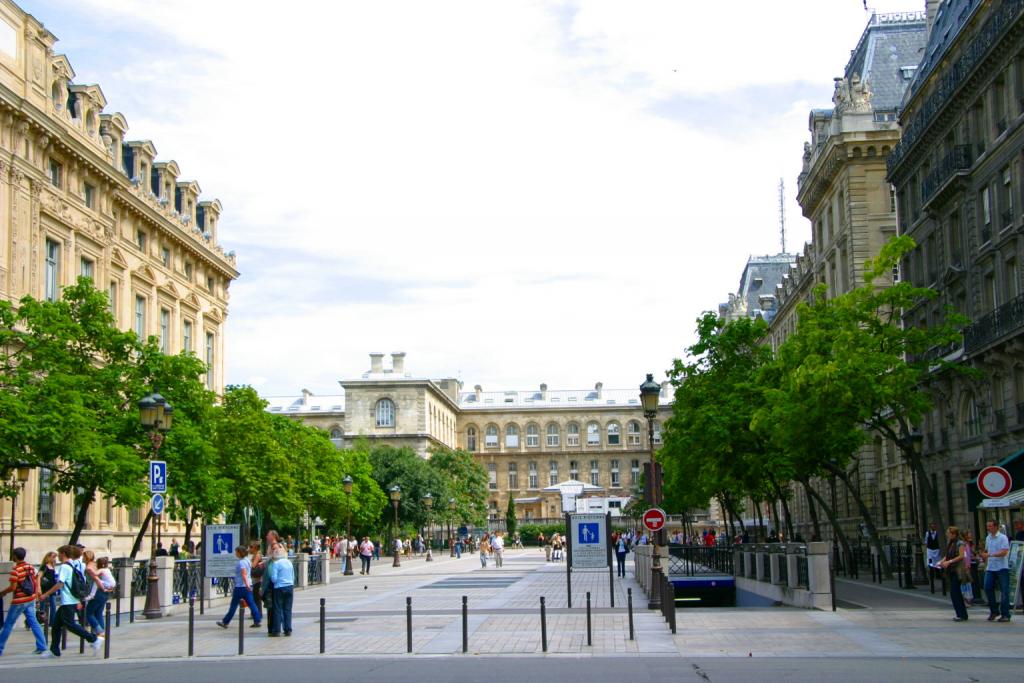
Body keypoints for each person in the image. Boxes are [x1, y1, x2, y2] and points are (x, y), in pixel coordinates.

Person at [39, 545, 101, 657]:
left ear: (63, 553)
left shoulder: (64, 567)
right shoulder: (72, 565)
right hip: (69, 600)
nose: (58, 556)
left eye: (59, 553)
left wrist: (45, 594)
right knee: (57, 625)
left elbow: (60, 584)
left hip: (68, 601)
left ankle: (93, 639)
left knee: (70, 624)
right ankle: (54, 651)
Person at [0, 547, 48, 657]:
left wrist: (2, 592)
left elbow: (13, 587)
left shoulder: (15, 570)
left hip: (19, 601)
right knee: (34, 622)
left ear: (15, 556)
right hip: (30, 599)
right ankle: (42, 646)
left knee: (8, 624)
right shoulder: (30, 567)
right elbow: (35, 581)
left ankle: (0, 648)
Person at [217, 546, 262, 629]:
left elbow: (243, 574)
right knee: (251, 604)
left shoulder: (241, 563)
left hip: (240, 587)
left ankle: (225, 622)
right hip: (247, 586)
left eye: (236, 552)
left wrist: (247, 585)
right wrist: (248, 585)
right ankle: (257, 620)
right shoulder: (247, 560)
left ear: (240, 553)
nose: (235, 554)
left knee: (233, 605)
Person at [980, 519, 1012, 622]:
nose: (988, 528)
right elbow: (986, 550)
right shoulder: (988, 538)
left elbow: (1004, 552)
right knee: (987, 587)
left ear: (996, 527)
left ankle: (1005, 614)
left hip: (1002, 567)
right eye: (987, 526)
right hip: (991, 567)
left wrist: (991, 555)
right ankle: (994, 610)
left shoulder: (1003, 538)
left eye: (990, 526)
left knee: (1004, 591)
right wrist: (984, 555)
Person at [937, 526, 969, 621]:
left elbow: (961, 556)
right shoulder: (950, 543)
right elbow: (947, 555)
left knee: (955, 592)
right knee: (954, 592)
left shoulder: (960, 543)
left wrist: (949, 562)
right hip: (951, 570)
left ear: (954, 534)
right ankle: (961, 613)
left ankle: (961, 614)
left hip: (957, 570)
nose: (947, 535)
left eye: (949, 533)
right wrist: (941, 561)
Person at [85, 554, 115, 636]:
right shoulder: (107, 570)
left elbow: (95, 575)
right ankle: (101, 632)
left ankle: (99, 630)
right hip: (107, 591)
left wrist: (89, 568)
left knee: (88, 613)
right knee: (99, 613)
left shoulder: (102, 570)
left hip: (101, 592)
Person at [268, 547, 295, 637]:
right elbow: (293, 576)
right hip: (289, 586)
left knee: (277, 609)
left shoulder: (276, 564)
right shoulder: (289, 563)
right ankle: (288, 629)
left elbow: (274, 578)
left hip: (279, 587)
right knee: (287, 609)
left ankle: (276, 630)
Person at [36, 551, 58, 627]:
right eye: (53, 557)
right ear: (48, 557)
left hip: (52, 589)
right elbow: (38, 577)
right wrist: (39, 588)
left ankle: (52, 623)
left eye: (55, 557)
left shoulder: (53, 566)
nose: (54, 559)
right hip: (44, 589)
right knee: (42, 607)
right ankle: (40, 621)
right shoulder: (44, 566)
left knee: (53, 606)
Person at [249, 541, 265, 620]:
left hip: (257, 580)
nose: (250, 548)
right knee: (255, 597)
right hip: (256, 579)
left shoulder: (257, 555)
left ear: (255, 548)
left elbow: (253, 566)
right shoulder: (256, 555)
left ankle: (257, 614)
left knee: (256, 598)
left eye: (251, 547)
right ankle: (256, 613)